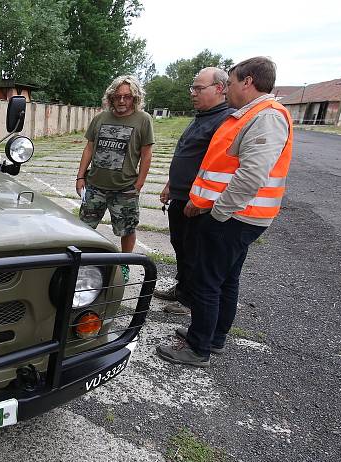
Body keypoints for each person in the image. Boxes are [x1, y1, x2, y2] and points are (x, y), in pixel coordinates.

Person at [156, 56, 293, 367]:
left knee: (206, 281)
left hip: (234, 217)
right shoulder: (250, 115)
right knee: (226, 279)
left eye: (230, 83)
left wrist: (218, 213)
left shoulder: (267, 116)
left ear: (248, 82)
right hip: (238, 215)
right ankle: (213, 336)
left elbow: (252, 174)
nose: (227, 89)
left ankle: (197, 347)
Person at [154, 67, 236, 315]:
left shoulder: (225, 120)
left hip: (197, 201)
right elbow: (187, 155)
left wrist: (198, 199)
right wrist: (171, 184)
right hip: (181, 196)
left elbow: (217, 165)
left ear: (220, 89)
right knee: (180, 245)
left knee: (195, 252)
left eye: (199, 88)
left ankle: (190, 301)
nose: (193, 93)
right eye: (193, 88)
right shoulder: (203, 116)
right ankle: (183, 289)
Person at [75, 75, 154, 280]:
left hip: (125, 188)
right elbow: (89, 148)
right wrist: (80, 177)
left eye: (127, 97)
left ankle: (124, 263)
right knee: (84, 227)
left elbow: (146, 155)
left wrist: (139, 184)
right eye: (117, 96)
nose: (121, 101)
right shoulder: (100, 118)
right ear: (111, 97)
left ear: (134, 98)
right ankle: (80, 263)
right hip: (95, 187)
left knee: (126, 229)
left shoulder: (143, 120)